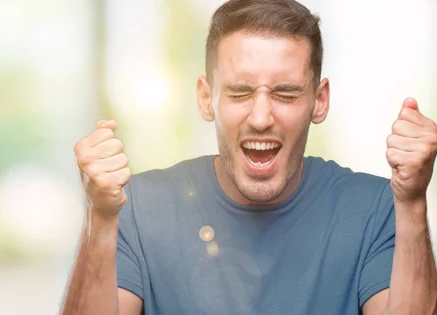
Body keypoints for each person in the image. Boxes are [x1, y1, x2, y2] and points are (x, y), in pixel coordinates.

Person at [60, 0, 437, 314]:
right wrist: (100, 220)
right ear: (207, 99)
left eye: (286, 93)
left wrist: (413, 203)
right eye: (240, 92)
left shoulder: (375, 209)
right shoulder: (139, 208)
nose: (260, 118)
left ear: (319, 101)